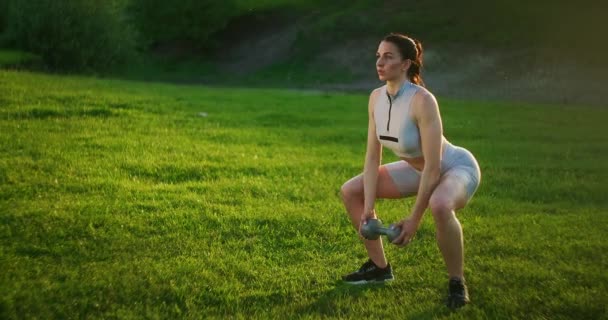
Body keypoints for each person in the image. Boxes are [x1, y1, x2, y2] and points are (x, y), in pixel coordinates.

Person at [339, 33, 481, 309]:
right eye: (378, 56)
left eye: (388, 57)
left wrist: (413, 220)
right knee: (350, 191)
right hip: (416, 169)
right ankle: (379, 268)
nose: (380, 62)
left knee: (440, 205)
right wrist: (368, 207)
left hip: (453, 167)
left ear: (405, 64)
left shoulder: (422, 101)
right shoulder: (375, 98)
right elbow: (372, 157)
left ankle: (457, 282)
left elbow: (434, 166)